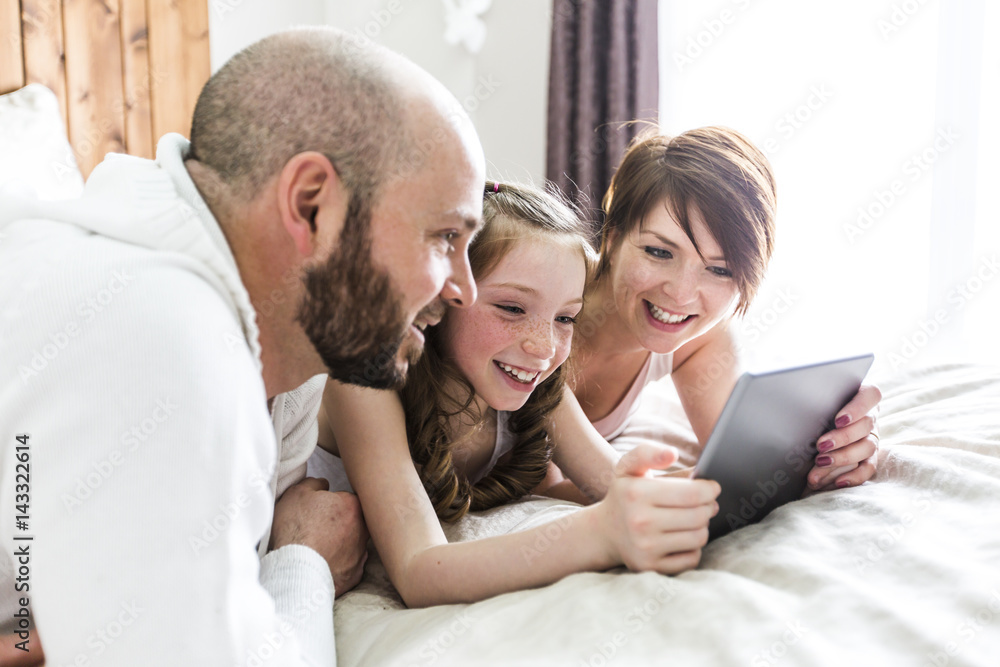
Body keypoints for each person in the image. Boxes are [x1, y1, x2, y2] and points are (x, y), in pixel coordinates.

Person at [0, 27, 484, 665]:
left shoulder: (287, 353)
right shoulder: (159, 330)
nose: (464, 290)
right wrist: (305, 564)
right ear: (312, 204)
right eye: (445, 237)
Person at [307, 181, 721, 608]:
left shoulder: (539, 387)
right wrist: (599, 536)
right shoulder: (365, 381)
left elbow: (615, 481)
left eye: (565, 318)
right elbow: (418, 571)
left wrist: (721, 487)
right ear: (443, 296)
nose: (543, 348)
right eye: (511, 308)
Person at [543, 127, 881, 500]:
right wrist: (730, 481)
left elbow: (740, 462)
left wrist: (829, 454)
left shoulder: (701, 338)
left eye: (720, 270)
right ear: (612, 238)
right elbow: (551, 489)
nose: (681, 295)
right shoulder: (544, 312)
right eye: (659, 252)